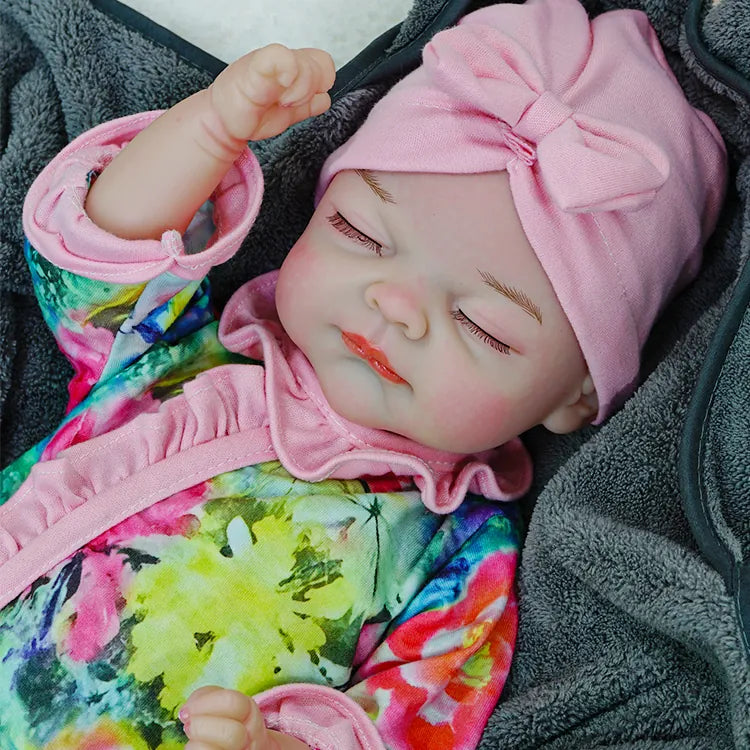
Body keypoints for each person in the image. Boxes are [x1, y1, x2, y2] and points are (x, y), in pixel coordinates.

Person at [0, 0, 726, 748]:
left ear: (577, 398)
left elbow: (401, 727)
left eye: (483, 325)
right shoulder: (180, 358)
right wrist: (209, 129)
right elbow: (98, 254)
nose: (397, 307)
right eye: (362, 233)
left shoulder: (458, 563)